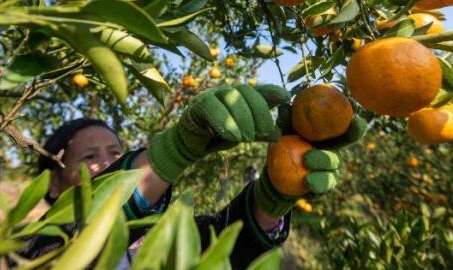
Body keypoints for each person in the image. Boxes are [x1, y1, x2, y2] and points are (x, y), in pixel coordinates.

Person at [22, 84, 366, 268]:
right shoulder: (18, 250)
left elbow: (227, 246)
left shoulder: (161, 238)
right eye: (88, 158)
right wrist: (171, 153)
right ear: (52, 182)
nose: (108, 165)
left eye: (116, 155)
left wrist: (272, 197)